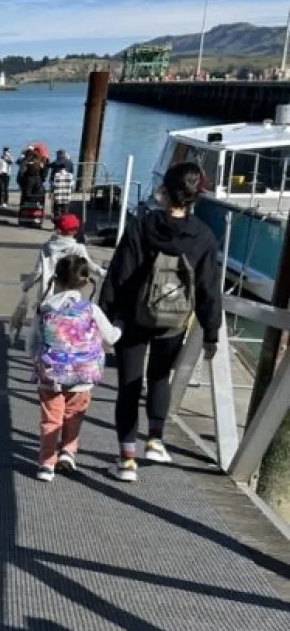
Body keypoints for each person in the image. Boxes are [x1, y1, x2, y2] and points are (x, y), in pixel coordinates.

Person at [100, 160, 222, 482]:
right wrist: (211, 333)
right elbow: (209, 288)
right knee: (159, 378)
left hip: (133, 318)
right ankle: (155, 440)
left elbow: (119, 274)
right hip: (174, 321)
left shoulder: (143, 226)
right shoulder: (203, 236)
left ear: (164, 191)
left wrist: (104, 315)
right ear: (196, 196)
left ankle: (127, 462)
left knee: (128, 386)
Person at [33, 255, 121, 481]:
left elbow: (30, 343)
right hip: (83, 375)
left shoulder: (45, 308)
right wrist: (120, 327)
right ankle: (68, 453)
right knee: (74, 416)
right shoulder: (90, 308)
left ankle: (46, 464)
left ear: (57, 279)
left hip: (51, 375)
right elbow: (110, 338)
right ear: (84, 282)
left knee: (51, 419)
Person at [21, 212, 105, 302]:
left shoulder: (46, 246)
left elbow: (38, 272)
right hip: (69, 294)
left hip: (47, 294)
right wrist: (104, 273)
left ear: (58, 229)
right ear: (75, 231)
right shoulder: (77, 248)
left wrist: (27, 285)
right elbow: (89, 265)